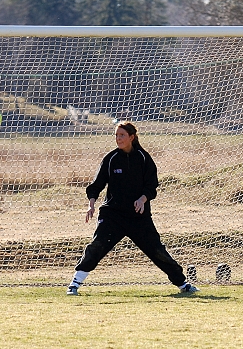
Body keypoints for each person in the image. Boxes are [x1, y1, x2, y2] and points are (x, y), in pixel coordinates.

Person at [66, 122, 199, 295]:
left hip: (138, 216)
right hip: (113, 215)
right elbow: (96, 185)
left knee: (157, 250)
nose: (118, 139)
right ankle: (74, 284)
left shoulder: (144, 158)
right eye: (116, 135)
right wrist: (90, 204)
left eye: (122, 135)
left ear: (131, 137)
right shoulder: (111, 159)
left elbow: (151, 186)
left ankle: (183, 284)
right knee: (97, 246)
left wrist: (142, 199)